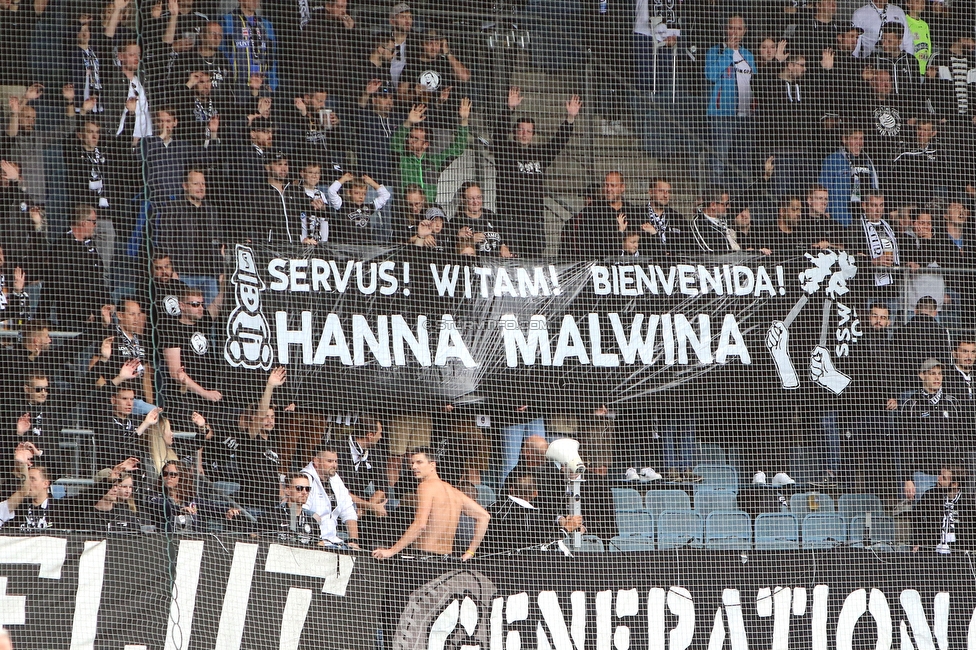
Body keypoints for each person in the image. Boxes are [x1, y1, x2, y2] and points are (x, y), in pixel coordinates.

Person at [493, 87, 581, 258]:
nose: (524, 134)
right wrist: (509, 109)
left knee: (535, 259)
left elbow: (558, 143)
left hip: (534, 218)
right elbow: (498, 135)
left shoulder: (539, 153)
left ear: (533, 134)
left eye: (528, 131)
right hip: (510, 218)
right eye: (521, 130)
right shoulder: (505, 151)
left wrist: (570, 118)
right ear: (515, 132)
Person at [372, 447, 490, 560]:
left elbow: (420, 524)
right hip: (446, 559)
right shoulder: (455, 492)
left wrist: (392, 551)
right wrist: (470, 552)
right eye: (412, 463)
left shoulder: (426, 486)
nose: (413, 467)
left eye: (419, 462)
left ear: (432, 465)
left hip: (424, 557)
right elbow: (484, 516)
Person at [705, 15, 757, 192]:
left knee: (743, 157)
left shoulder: (749, 55)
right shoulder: (715, 51)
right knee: (720, 156)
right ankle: (716, 194)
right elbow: (710, 75)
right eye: (731, 28)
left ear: (744, 31)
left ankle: (741, 194)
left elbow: (755, 82)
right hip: (722, 114)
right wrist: (728, 51)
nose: (735, 32)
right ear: (725, 29)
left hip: (746, 115)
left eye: (739, 29)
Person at [900, 358, 963, 502]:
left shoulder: (951, 403)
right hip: (922, 473)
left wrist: (957, 474)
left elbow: (960, 439)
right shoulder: (911, 405)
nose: (937, 377)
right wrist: (907, 478)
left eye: (940, 373)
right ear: (922, 375)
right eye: (932, 373)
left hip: (948, 475)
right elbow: (905, 443)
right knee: (923, 517)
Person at [390, 97, 471, 202]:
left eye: (415, 139)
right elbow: (395, 145)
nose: (410, 141)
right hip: (406, 210)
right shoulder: (403, 159)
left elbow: (457, 148)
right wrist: (408, 122)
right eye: (410, 137)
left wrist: (464, 120)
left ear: (425, 144)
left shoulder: (435, 161)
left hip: (428, 209)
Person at [819, 128, 880, 227]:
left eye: (861, 139)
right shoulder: (833, 160)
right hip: (840, 218)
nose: (859, 143)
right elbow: (823, 188)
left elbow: (875, 188)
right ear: (844, 139)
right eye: (855, 138)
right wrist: (826, 213)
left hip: (864, 220)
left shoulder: (868, 161)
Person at [301, 447, 360, 548]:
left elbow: (348, 510)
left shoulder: (335, 478)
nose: (334, 465)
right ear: (316, 461)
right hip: (312, 541)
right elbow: (302, 513)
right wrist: (316, 540)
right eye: (329, 461)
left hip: (334, 540)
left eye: (336, 461)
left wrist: (354, 541)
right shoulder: (306, 479)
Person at [913, 465, 973, 554]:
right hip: (931, 549)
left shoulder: (968, 503)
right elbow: (916, 516)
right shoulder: (930, 496)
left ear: (954, 484)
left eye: (943, 478)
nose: (939, 478)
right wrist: (917, 541)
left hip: (959, 553)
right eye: (940, 475)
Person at [264, 473, 318, 544]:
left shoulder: (312, 521)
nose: (304, 492)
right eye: (299, 488)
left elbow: (319, 544)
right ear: (287, 491)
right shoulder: (271, 517)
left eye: (307, 489)